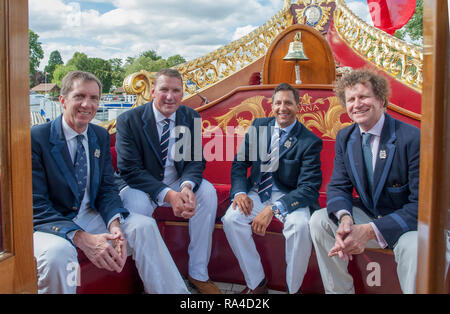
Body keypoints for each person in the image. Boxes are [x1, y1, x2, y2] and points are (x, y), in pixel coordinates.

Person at [32, 71, 189, 294]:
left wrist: (114, 224)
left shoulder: (98, 135)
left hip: (89, 214)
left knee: (143, 226)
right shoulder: (37, 138)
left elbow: (107, 187)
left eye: (94, 98)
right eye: (79, 96)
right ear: (63, 100)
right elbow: (35, 205)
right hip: (50, 224)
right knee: (59, 255)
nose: (87, 104)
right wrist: (81, 238)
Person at [309, 69, 420, 294]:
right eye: (351, 99)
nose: (357, 104)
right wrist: (345, 218)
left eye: (363, 97)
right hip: (371, 213)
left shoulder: (413, 138)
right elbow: (339, 186)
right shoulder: (346, 137)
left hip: (409, 224)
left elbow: (424, 207)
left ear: (380, 99)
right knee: (319, 220)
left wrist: (370, 230)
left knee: (416, 247)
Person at [115, 68, 220, 294]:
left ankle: (198, 273)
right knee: (137, 207)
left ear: (182, 94)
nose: (170, 96)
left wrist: (186, 186)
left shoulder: (189, 117)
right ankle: (148, 278)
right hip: (139, 187)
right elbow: (129, 169)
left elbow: (195, 160)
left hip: (176, 182)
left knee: (207, 193)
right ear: (153, 91)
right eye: (164, 90)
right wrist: (169, 195)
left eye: (176, 91)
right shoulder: (129, 120)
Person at [221, 83, 323, 294]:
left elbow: (309, 188)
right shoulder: (259, 127)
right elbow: (240, 163)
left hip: (290, 197)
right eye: (278, 102)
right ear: (272, 105)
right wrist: (240, 192)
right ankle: (257, 283)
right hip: (258, 192)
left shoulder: (309, 141)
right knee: (231, 219)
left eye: (288, 103)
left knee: (300, 227)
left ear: (298, 107)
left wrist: (275, 208)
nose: (282, 108)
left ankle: (293, 289)